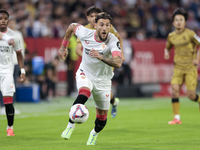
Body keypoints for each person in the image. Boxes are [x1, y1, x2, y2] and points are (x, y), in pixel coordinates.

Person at [58, 12, 122, 145]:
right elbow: (71, 27)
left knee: (102, 117)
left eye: (107, 25)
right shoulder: (85, 33)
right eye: (101, 25)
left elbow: (118, 62)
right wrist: (64, 46)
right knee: (84, 92)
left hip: (103, 81)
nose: (104, 28)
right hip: (85, 72)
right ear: (95, 25)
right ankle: (70, 125)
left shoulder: (113, 40)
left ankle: (94, 133)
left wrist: (101, 56)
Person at [76, 6, 124, 118]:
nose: (93, 18)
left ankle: (113, 102)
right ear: (88, 18)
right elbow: (78, 49)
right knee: (90, 87)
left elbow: (118, 38)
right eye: (91, 16)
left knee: (104, 88)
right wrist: (91, 57)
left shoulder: (107, 28)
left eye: (95, 16)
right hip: (93, 64)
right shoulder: (85, 30)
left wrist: (122, 54)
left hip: (107, 62)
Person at [164, 8, 200, 125]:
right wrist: (166, 52)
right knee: (175, 90)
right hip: (178, 68)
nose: (178, 22)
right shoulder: (171, 36)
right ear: (173, 23)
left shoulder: (191, 34)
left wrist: (197, 59)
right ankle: (177, 118)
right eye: (176, 20)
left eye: (181, 20)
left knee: (191, 95)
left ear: (185, 22)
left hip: (190, 68)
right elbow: (168, 47)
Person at [0, 10, 26, 136]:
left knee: (8, 101)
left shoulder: (14, 35)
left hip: (7, 71)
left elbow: (19, 54)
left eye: (5, 18)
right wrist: (5, 38)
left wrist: (22, 70)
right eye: (0, 18)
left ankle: (10, 128)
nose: (3, 20)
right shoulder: (7, 37)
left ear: (8, 20)